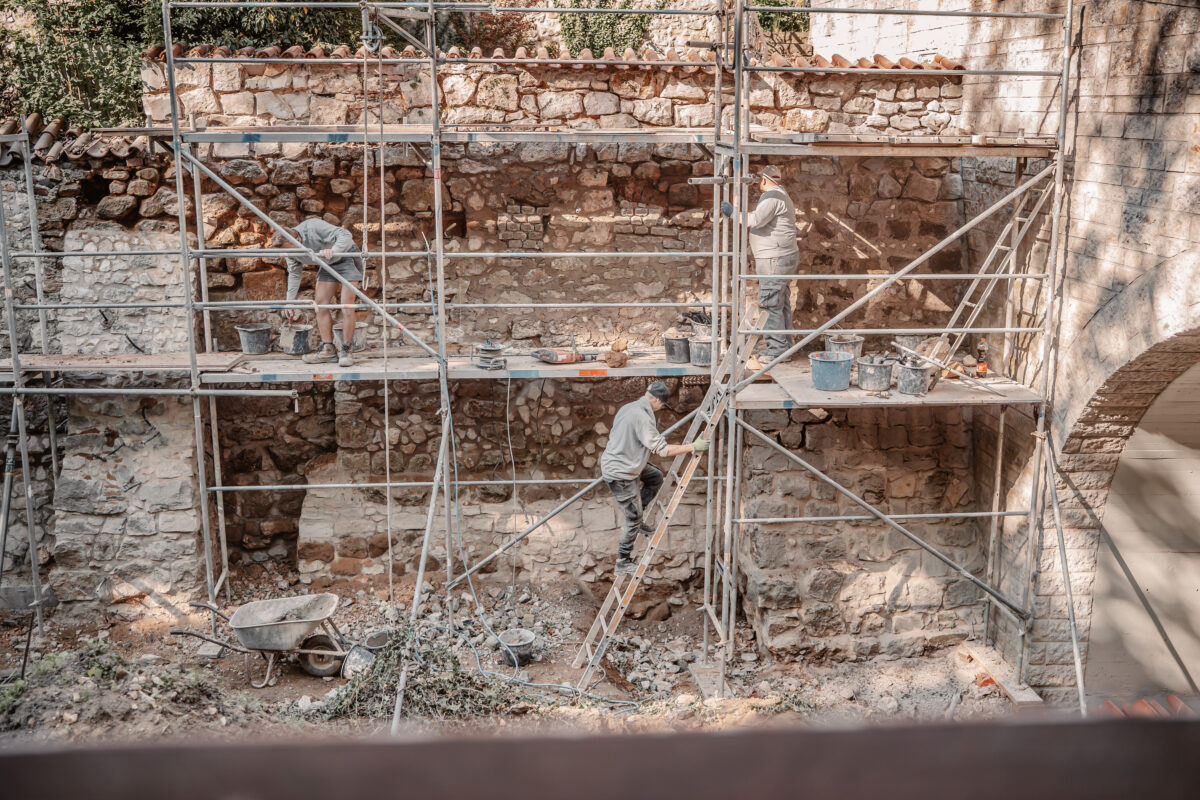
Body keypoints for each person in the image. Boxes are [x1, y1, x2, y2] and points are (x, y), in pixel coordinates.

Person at [600, 381, 709, 576]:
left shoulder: (629, 407)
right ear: (658, 400)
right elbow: (664, 450)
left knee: (656, 477)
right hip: (621, 472)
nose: (661, 410)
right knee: (633, 517)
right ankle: (623, 561)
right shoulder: (641, 417)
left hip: (629, 463)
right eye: (662, 406)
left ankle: (638, 516)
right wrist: (694, 446)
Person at [721, 164, 800, 369]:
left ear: (764, 180)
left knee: (769, 303)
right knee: (780, 304)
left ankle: (776, 351)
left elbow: (754, 220)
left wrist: (732, 213)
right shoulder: (782, 195)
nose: (758, 184)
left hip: (774, 258)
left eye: (759, 180)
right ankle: (784, 348)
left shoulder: (772, 197)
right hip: (780, 256)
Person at [271, 218, 365, 367]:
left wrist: (334, 251)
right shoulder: (289, 251)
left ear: (298, 239)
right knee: (320, 304)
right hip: (327, 264)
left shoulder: (313, 226)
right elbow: (294, 274)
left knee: (346, 305)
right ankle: (328, 349)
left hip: (346, 257)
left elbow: (345, 234)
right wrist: (290, 302)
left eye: (290, 249)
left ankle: (347, 350)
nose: (288, 254)